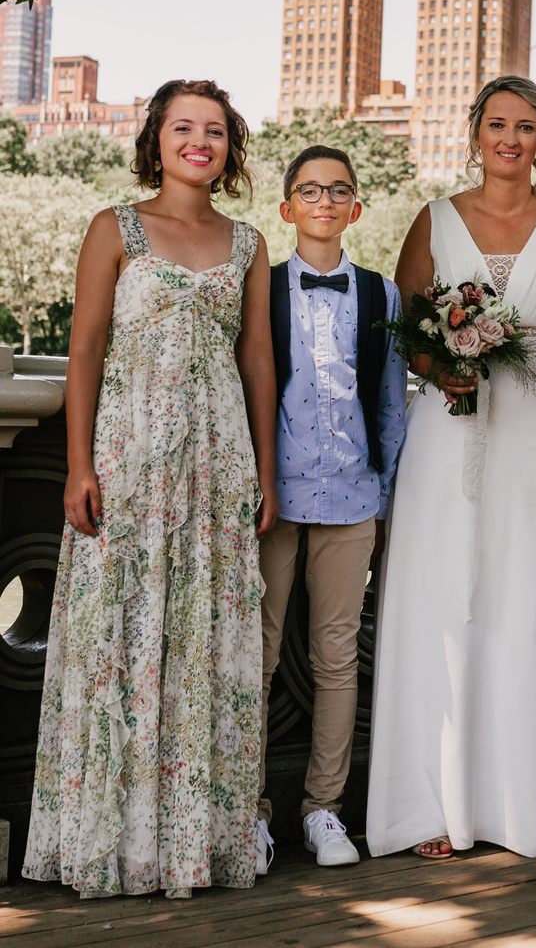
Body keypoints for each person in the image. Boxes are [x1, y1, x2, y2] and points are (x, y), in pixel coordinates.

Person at [23, 80, 278, 899]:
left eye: (213, 130)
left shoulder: (248, 243)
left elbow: (259, 361)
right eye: (183, 127)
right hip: (129, 459)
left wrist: (265, 471)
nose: (197, 141)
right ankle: (109, 841)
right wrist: (79, 464)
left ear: (230, 146)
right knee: (117, 638)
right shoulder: (116, 227)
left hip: (216, 466)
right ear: (157, 139)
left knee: (204, 639)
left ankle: (191, 845)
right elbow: (86, 348)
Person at [366, 76, 536, 860]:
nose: (509, 139)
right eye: (496, 124)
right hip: (449, 434)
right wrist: (436, 366)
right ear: (474, 132)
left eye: (525, 126)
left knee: (528, 606)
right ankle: (431, 804)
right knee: (441, 604)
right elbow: (406, 326)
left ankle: (528, 803)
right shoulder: (434, 219)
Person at [256, 146, 405, 873]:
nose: (324, 200)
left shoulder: (383, 295)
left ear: (355, 207)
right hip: (271, 499)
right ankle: (245, 812)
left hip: (352, 497)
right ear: (287, 208)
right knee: (252, 653)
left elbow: (390, 403)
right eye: (309, 191)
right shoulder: (261, 288)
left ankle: (323, 809)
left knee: (336, 656)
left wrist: (388, 496)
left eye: (338, 190)